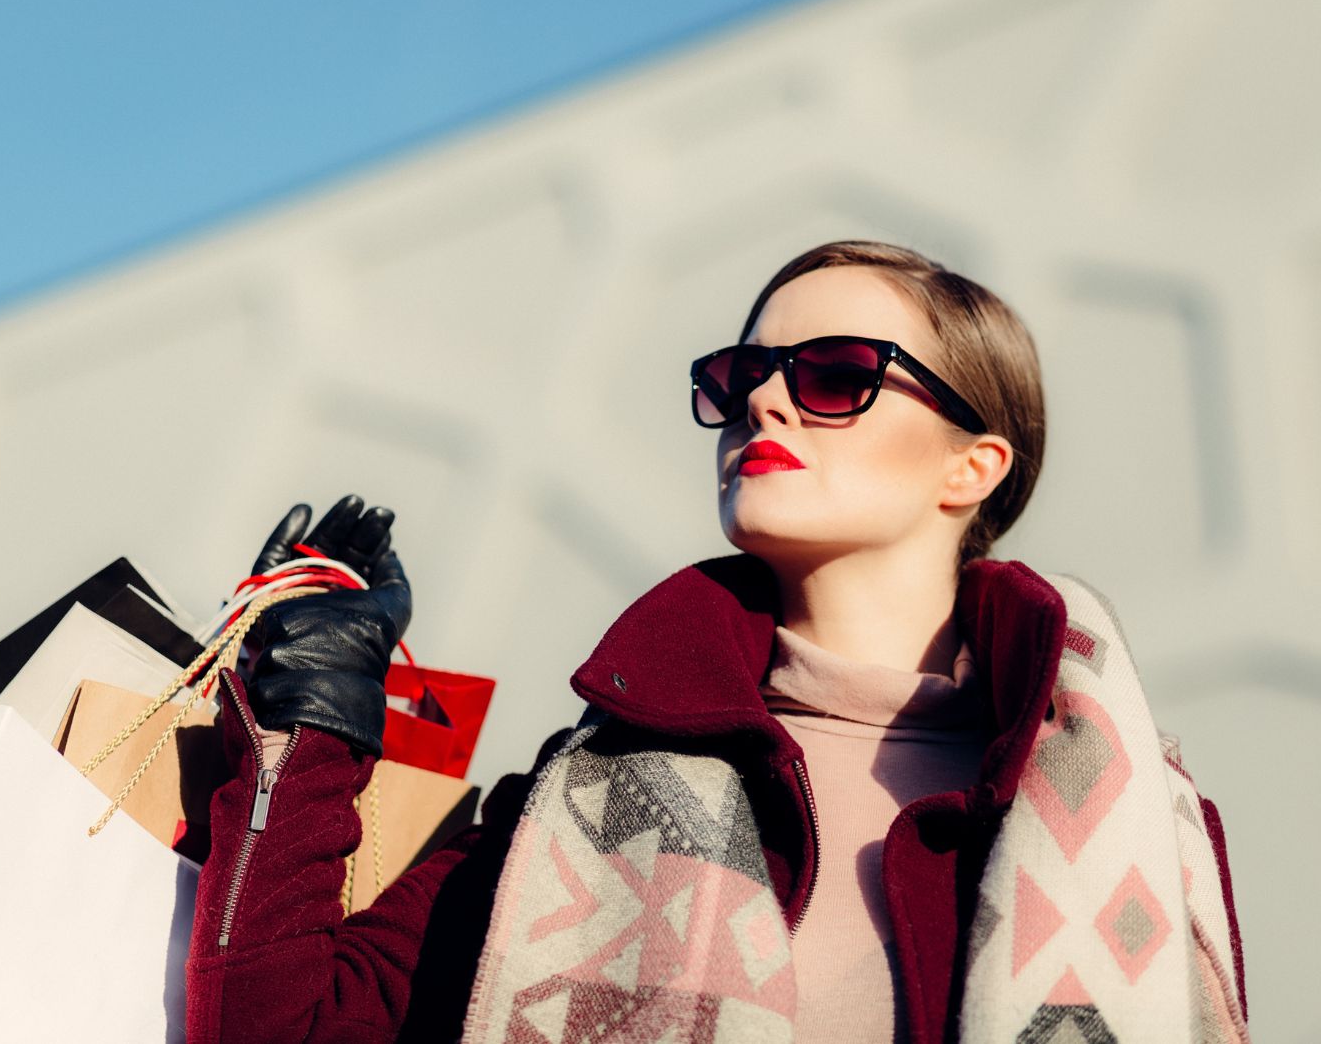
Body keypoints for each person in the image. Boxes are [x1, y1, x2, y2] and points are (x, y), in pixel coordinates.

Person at [185, 242, 1249, 1043]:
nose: (768, 399)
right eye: (743, 377)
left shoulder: (1127, 821)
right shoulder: (580, 797)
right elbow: (279, 1026)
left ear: (969, 466)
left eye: (836, 374)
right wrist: (312, 717)